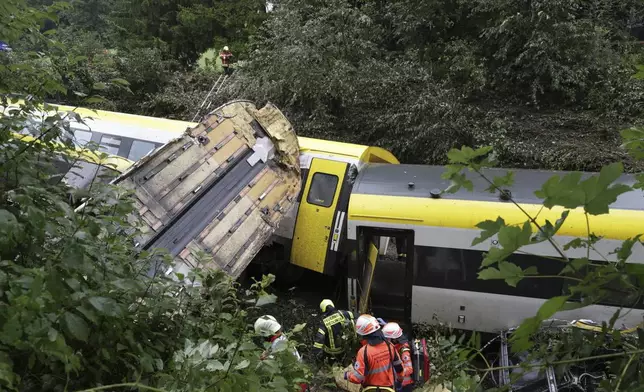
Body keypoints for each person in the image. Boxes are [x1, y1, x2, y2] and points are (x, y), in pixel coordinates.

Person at [344, 314, 404, 392]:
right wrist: (399, 382)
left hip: (369, 389)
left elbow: (357, 378)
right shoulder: (390, 346)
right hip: (388, 389)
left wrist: (346, 375)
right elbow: (399, 368)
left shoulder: (363, 352)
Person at [254, 315, 309, 391]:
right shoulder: (281, 336)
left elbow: (273, 366)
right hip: (300, 378)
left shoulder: (278, 343)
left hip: (295, 384)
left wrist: (264, 359)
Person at [383, 322, 414, 392]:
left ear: (394, 339)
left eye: (387, 338)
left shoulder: (404, 351)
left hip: (404, 386)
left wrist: (395, 371)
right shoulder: (395, 347)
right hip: (397, 383)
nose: (386, 340)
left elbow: (409, 369)